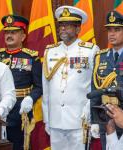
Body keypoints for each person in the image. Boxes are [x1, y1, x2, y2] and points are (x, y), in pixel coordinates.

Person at [42, 6, 99, 150]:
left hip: (79, 119)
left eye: (67, 26)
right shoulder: (50, 50)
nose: (62, 29)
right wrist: (46, 119)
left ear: (78, 29)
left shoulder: (90, 50)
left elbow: (95, 85)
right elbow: (46, 86)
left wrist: (90, 112)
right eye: (61, 25)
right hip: (55, 119)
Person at [0, 15, 42, 150]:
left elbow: (39, 86)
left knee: (18, 145)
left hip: (20, 108)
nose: (9, 35)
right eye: (7, 32)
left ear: (23, 37)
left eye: (13, 32)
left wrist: (31, 98)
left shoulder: (31, 57)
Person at [91, 10, 123, 150]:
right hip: (106, 119)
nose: (112, 34)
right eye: (109, 30)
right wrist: (94, 121)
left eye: (117, 30)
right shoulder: (100, 57)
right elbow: (95, 89)